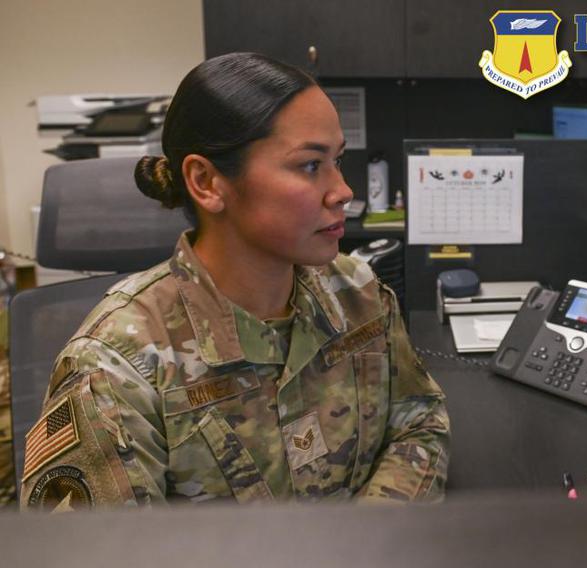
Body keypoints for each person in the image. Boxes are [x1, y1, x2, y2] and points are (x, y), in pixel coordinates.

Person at [21, 53, 449, 510]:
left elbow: (418, 423)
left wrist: (368, 540)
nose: (343, 190)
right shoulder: (117, 365)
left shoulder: (357, 292)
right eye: (310, 165)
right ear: (207, 182)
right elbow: (102, 552)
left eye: (337, 161)